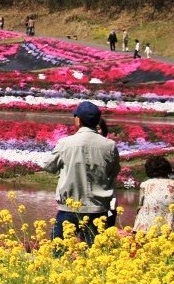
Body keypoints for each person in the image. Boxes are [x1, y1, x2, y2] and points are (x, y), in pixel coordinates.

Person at [44, 101, 120, 246]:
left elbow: (48, 166)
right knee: (95, 255)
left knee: (59, 252)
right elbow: (114, 171)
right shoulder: (109, 145)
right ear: (98, 120)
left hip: (69, 208)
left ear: (78, 120)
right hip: (98, 210)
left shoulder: (65, 143)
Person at [132, 156, 174, 233]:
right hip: (168, 227)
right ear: (167, 169)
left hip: (146, 227)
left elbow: (140, 206)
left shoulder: (144, 185)